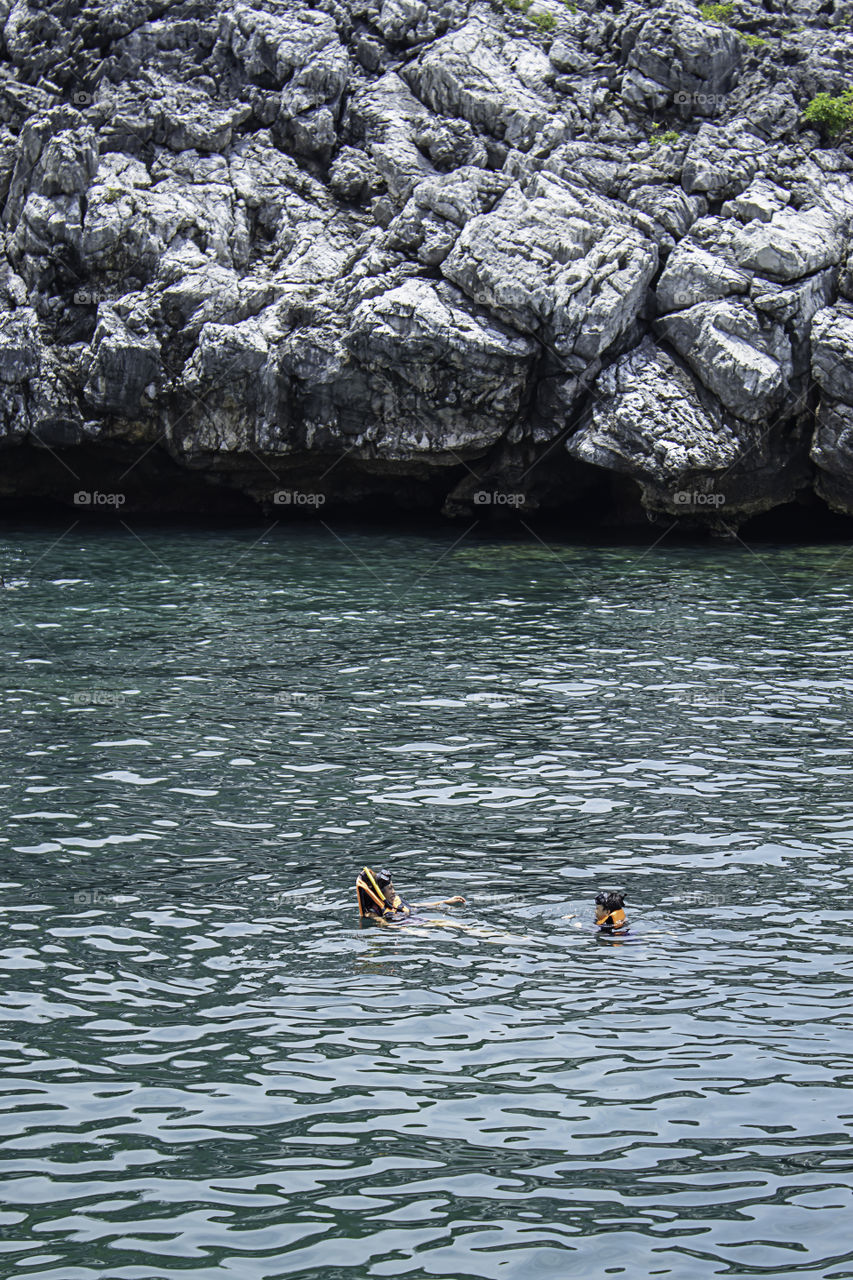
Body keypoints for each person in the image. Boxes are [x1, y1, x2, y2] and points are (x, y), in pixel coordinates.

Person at [355, 866, 466, 922]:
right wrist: (411, 931)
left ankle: (476, 931)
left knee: (445, 922)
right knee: (445, 923)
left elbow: (416, 906)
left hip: (413, 918)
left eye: (393, 887)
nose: (394, 891)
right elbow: (385, 924)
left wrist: (445, 901)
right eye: (390, 889)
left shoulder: (395, 901)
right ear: (381, 892)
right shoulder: (373, 912)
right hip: (407, 924)